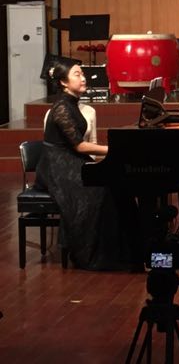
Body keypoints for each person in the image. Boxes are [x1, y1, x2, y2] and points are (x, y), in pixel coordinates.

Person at [36, 61, 136, 270]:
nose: (83, 78)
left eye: (83, 74)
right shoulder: (61, 108)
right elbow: (80, 146)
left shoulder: (72, 104)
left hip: (70, 160)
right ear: (64, 82)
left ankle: (127, 251)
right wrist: (114, 150)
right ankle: (95, 254)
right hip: (57, 166)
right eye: (77, 74)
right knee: (100, 190)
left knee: (117, 184)